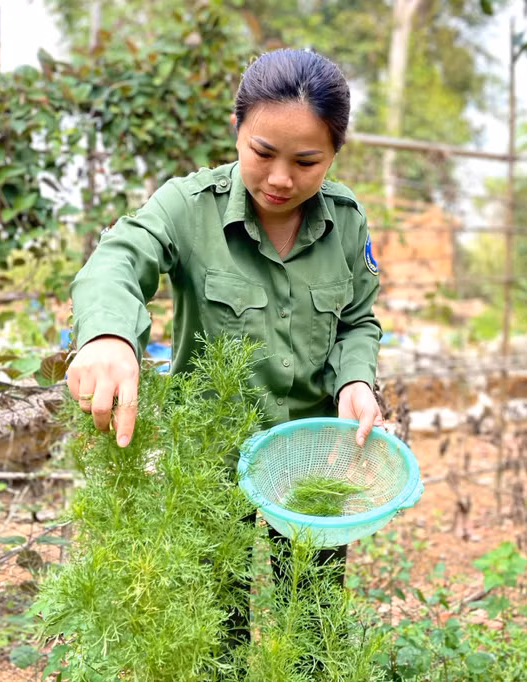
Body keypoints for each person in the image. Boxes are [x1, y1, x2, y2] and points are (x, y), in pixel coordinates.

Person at [64, 48, 383, 651]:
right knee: (215, 627)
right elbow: (118, 260)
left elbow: (358, 321)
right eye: (263, 153)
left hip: (314, 454)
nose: (281, 178)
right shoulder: (187, 207)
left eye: (307, 161)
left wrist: (356, 381)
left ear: (335, 154)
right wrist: (107, 335)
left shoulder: (346, 222)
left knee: (311, 624)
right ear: (237, 130)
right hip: (211, 461)